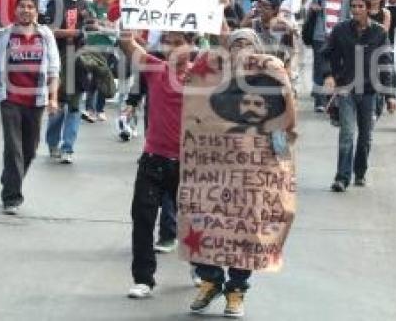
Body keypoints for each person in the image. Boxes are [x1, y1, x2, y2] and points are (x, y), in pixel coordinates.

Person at [188, 28, 297, 318]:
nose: (241, 49)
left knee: (246, 231)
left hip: (252, 181)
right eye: (236, 44)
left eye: (248, 44)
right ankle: (210, 279)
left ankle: (236, 291)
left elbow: (287, 122)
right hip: (215, 174)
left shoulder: (270, 80)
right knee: (202, 220)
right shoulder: (213, 77)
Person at [119, 28, 195, 300]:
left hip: (190, 162)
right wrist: (129, 21)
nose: (172, 49)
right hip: (154, 158)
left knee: (193, 220)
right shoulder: (155, 68)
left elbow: (231, 54)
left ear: (191, 45)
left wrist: (220, 9)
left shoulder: (203, 74)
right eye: (167, 43)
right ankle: (143, 279)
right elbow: (128, 45)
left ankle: (200, 267)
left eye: (179, 43)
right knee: (142, 218)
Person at [0, 0, 60, 214]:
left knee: (30, 149)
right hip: (10, 98)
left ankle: (10, 178)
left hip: (36, 99)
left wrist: (53, 98)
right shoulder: (6, 35)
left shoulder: (45, 36)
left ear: (37, 11)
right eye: (22, 6)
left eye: (30, 7)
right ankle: (12, 197)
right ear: (15, 10)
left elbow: (54, 70)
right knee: (13, 149)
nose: (26, 10)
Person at [323, 0, 396, 192]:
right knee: (347, 133)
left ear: (368, 8)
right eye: (353, 6)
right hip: (346, 89)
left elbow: (386, 64)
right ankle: (341, 177)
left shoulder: (379, 33)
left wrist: (390, 95)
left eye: (360, 6)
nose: (356, 10)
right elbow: (326, 54)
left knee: (365, 136)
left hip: (370, 92)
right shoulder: (340, 30)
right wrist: (329, 75)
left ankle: (360, 171)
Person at [41, 0, 89, 163]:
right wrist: (73, 33)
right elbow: (49, 30)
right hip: (59, 59)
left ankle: (68, 147)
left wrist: (89, 27)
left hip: (78, 59)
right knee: (59, 104)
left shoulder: (84, 2)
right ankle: (53, 142)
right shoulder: (57, 1)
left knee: (75, 105)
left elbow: (85, 24)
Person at [308, 0, 351, 112]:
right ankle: (319, 101)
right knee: (320, 68)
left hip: (339, 38)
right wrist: (313, 8)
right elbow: (310, 9)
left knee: (337, 68)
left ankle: (332, 100)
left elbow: (349, 17)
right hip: (321, 36)